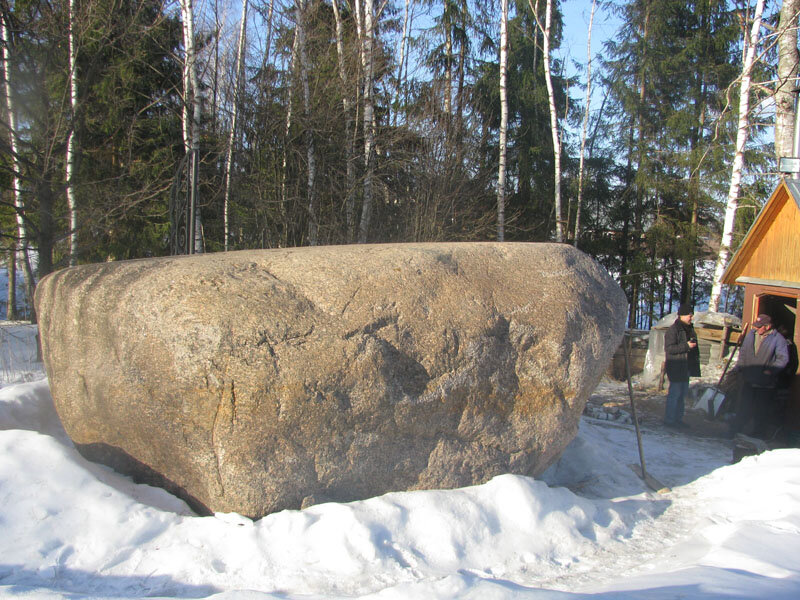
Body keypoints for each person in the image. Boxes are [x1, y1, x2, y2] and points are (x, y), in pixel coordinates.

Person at [728, 314, 790, 439]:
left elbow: (783, 359)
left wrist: (771, 371)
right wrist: (739, 367)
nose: (757, 329)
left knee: (761, 411)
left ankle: (758, 435)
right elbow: (743, 353)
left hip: (765, 383)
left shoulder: (778, 339)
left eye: (760, 327)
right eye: (756, 326)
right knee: (743, 407)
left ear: (768, 326)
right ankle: (734, 431)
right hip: (749, 379)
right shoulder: (751, 335)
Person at [663, 303, 701, 428]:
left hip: (686, 367)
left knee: (682, 395)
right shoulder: (673, 330)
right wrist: (686, 346)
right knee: (674, 395)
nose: (691, 317)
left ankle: (678, 419)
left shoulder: (690, 329)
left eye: (691, 314)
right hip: (676, 366)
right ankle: (669, 420)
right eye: (688, 315)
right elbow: (669, 348)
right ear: (681, 316)